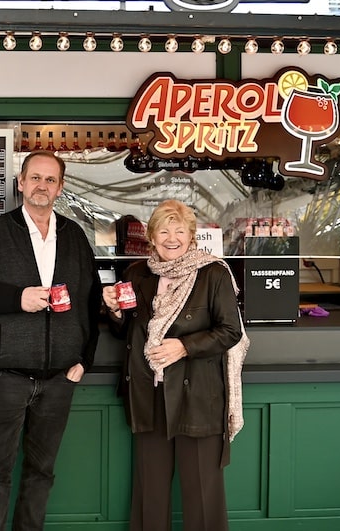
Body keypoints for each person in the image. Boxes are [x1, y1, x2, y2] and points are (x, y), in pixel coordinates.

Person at [0, 149, 102, 531]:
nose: (42, 186)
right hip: (5, 375)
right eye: (35, 178)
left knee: (41, 473)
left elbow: (91, 299)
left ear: (60, 187)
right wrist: (16, 299)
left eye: (50, 180)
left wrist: (85, 358)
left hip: (59, 379)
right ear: (20, 183)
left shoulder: (74, 236)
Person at [102, 199, 249, 531]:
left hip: (198, 395)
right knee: (150, 495)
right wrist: (112, 309)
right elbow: (127, 330)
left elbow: (230, 332)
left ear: (191, 236)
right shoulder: (138, 273)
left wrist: (184, 346)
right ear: (152, 238)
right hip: (149, 395)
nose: (172, 238)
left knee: (203, 495)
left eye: (179, 231)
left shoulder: (213, 273)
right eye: (164, 230)